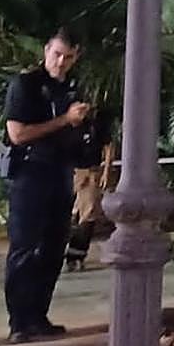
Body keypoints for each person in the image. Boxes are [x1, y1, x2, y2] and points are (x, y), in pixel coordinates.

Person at [1, 28, 89, 344]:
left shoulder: (73, 89)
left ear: (76, 57)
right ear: (46, 50)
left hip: (60, 172)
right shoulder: (26, 85)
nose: (61, 62)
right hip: (29, 173)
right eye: (56, 54)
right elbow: (18, 134)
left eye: (67, 57)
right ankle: (19, 321)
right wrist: (65, 120)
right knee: (24, 247)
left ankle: (38, 316)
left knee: (53, 248)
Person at [64, 111, 114, 271]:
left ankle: (77, 254)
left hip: (91, 170)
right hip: (71, 171)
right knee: (68, 214)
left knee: (89, 212)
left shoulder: (96, 124)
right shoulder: (65, 123)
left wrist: (106, 171)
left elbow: (108, 146)